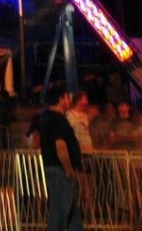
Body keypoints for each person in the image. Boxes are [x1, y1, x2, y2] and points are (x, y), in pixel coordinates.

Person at [37, 83, 84, 231]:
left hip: (52, 166)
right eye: (66, 98)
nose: (68, 101)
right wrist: (68, 168)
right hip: (60, 169)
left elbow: (33, 140)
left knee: (70, 208)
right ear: (60, 99)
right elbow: (61, 146)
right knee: (61, 208)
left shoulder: (44, 118)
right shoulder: (58, 119)